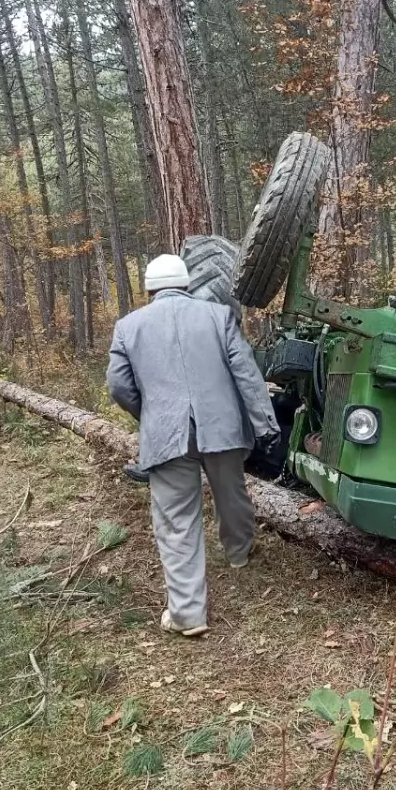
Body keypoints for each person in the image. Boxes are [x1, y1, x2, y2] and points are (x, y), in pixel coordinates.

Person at [106, 254, 279, 637]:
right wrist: (264, 424)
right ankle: (238, 553)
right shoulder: (219, 316)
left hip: (167, 436)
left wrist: (149, 413)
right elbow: (247, 374)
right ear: (186, 283)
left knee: (176, 519)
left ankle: (187, 615)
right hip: (223, 428)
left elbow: (118, 385)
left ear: (150, 288)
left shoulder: (128, 327)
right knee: (232, 494)